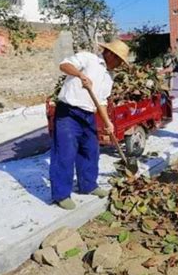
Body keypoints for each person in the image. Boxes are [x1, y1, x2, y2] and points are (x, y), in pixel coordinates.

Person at [50, 39, 130, 210]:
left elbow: (101, 102)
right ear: (110, 54)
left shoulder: (108, 78)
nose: (119, 65)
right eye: (119, 60)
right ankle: (61, 195)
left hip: (88, 115)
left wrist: (108, 122)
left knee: (90, 150)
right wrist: (80, 75)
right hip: (68, 113)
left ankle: (88, 185)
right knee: (65, 153)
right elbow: (63, 65)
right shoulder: (88, 59)